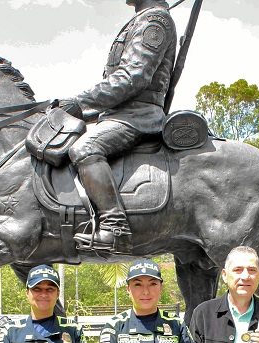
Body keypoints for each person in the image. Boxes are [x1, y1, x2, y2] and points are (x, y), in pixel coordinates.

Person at [61, 0, 177, 252]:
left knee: (85, 149)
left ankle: (115, 228)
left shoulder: (155, 20)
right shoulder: (143, 18)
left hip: (138, 115)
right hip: (119, 113)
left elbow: (133, 76)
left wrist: (80, 102)